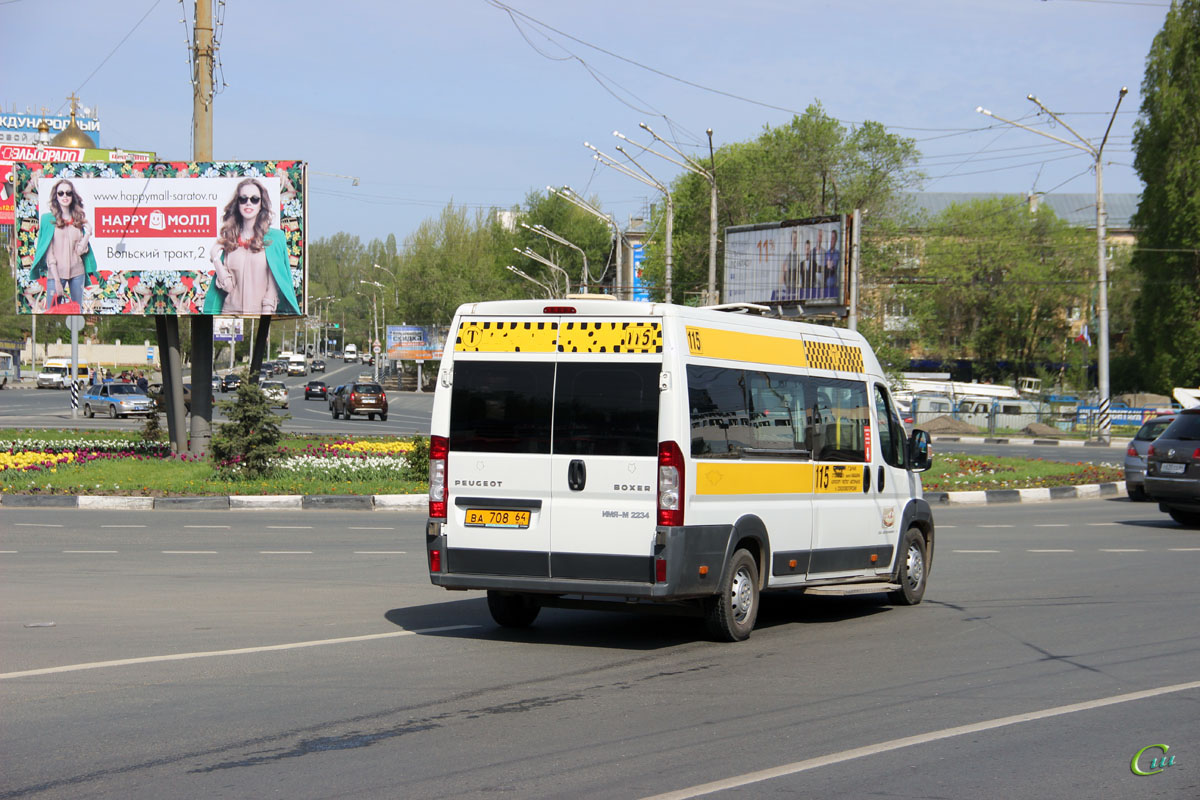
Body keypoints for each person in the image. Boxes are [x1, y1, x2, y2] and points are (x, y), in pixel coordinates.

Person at [203, 178, 300, 315]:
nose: (248, 203)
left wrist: (264, 323)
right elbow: (228, 286)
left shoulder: (274, 239)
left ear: (261, 204)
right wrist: (215, 257)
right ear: (237, 204)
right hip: (229, 317)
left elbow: (272, 290)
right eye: (243, 199)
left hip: (259, 316)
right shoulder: (230, 240)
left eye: (254, 199)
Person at [29, 178, 98, 311]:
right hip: (56, 274)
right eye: (61, 193)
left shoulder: (78, 219)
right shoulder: (48, 219)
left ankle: (77, 332)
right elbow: (49, 255)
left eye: (68, 193)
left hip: (77, 272)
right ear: (56, 196)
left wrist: (88, 233)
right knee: (51, 312)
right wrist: (56, 281)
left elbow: (79, 251)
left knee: (77, 311)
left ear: (73, 196)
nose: (65, 196)